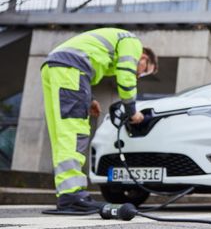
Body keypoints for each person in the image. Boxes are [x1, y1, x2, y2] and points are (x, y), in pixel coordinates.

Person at [41, 28, 158, 213]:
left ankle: (66, 196)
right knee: (74, 132)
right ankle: (73, 196)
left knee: (61, 133)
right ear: (143, 57)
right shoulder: (132, 42)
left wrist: (89, 98)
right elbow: (126, 76)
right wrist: (132, 111)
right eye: (144, 71)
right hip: (72, 69)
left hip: (54, 67)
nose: (139, 75)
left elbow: (80, 72)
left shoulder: (112, 44)